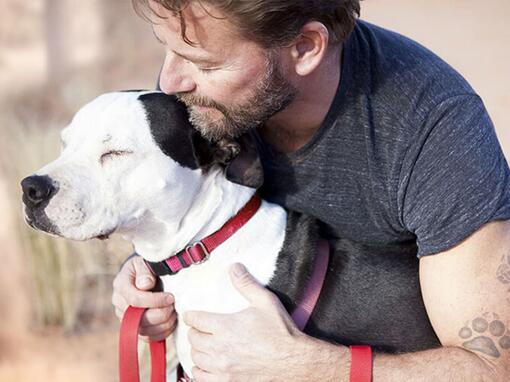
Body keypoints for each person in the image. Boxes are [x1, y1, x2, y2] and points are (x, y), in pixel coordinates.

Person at [111, 0, 510, 380]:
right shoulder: (203, 99)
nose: (169, 81)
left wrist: (311, 369)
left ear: (304, 48)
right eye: (168, 48)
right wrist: (153, 274)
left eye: (206, 63)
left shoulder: (433, 129)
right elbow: (191, 215)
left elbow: (492, 370)